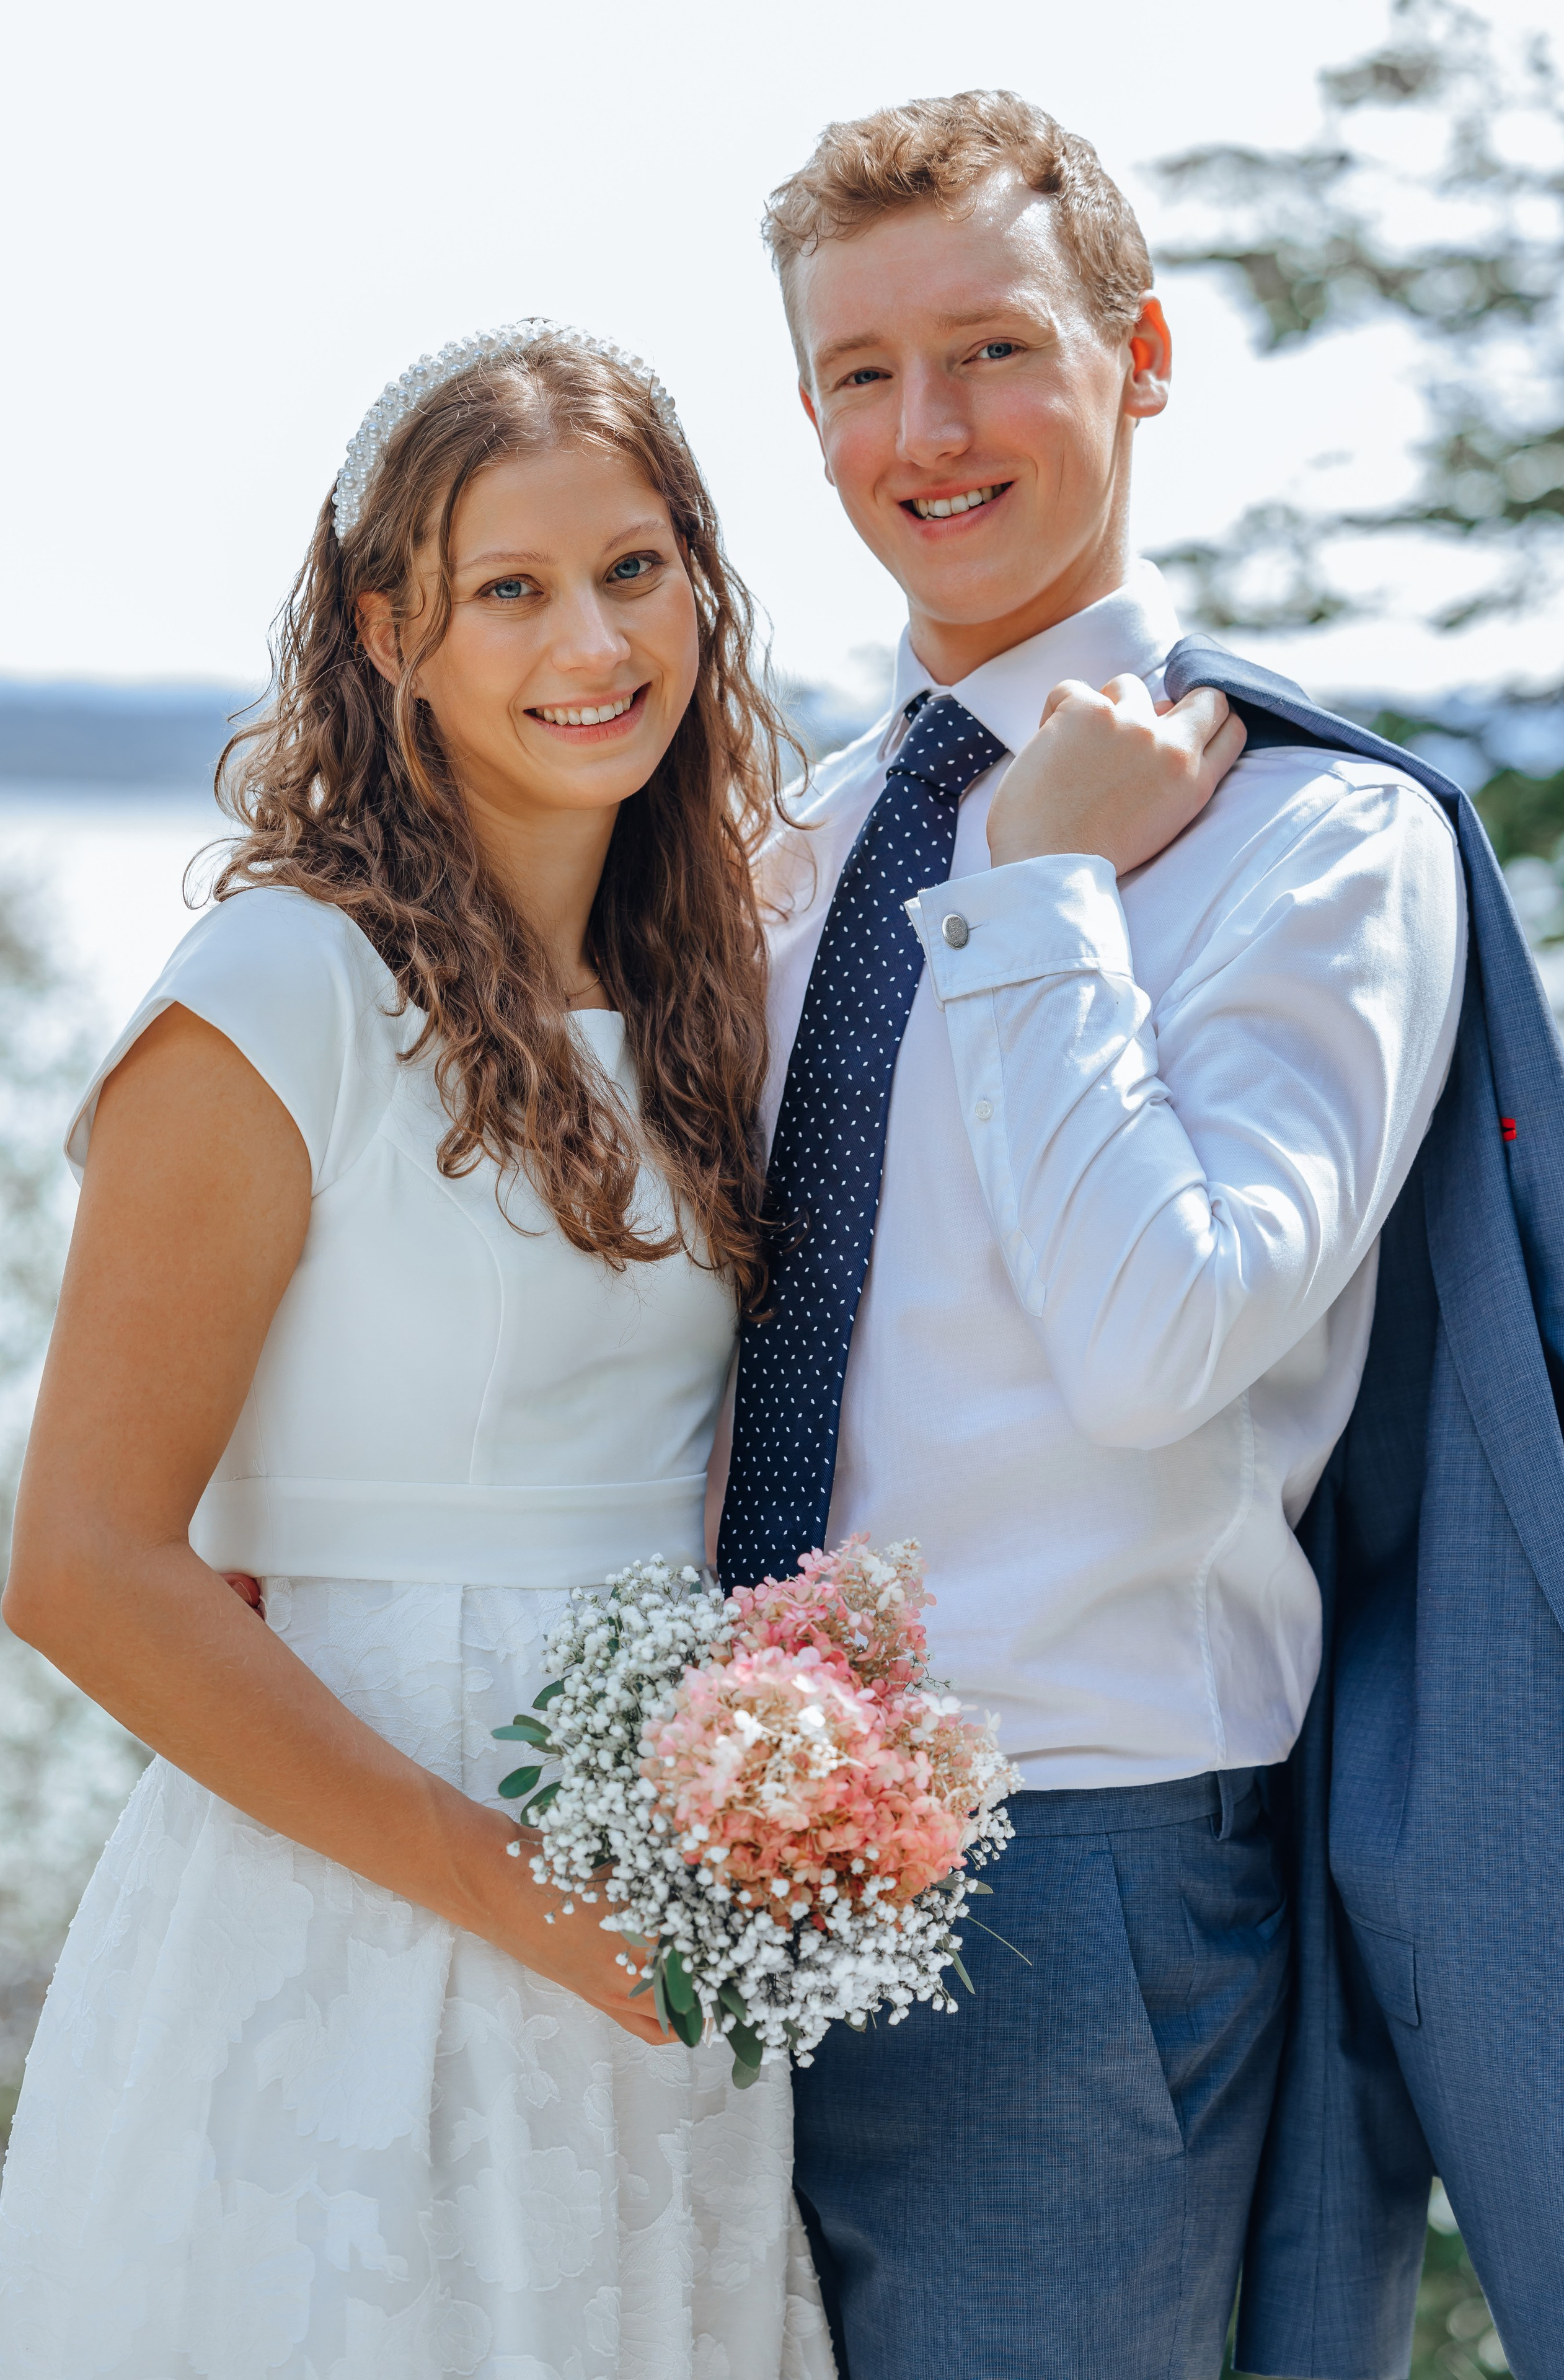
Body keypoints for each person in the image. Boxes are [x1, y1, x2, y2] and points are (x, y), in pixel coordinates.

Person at [0, 320, 842, 2379]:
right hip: (361, 1908)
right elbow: (81, 1565)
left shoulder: (702, 993)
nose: (596, 641)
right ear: (394, 629)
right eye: (513, 589)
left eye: (638, 570)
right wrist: (523, 1897)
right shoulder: (275, 990)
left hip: (651, 1945)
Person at [714, 92, 1471, 2379]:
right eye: (860, 373)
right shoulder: (791, 846)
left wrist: (1044, 892)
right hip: (704, 1845)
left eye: (995, 350)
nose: (925, 432)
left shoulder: (1318, 846)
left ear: (1139, 356)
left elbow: (1166, 1343)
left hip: (1071, 1870)